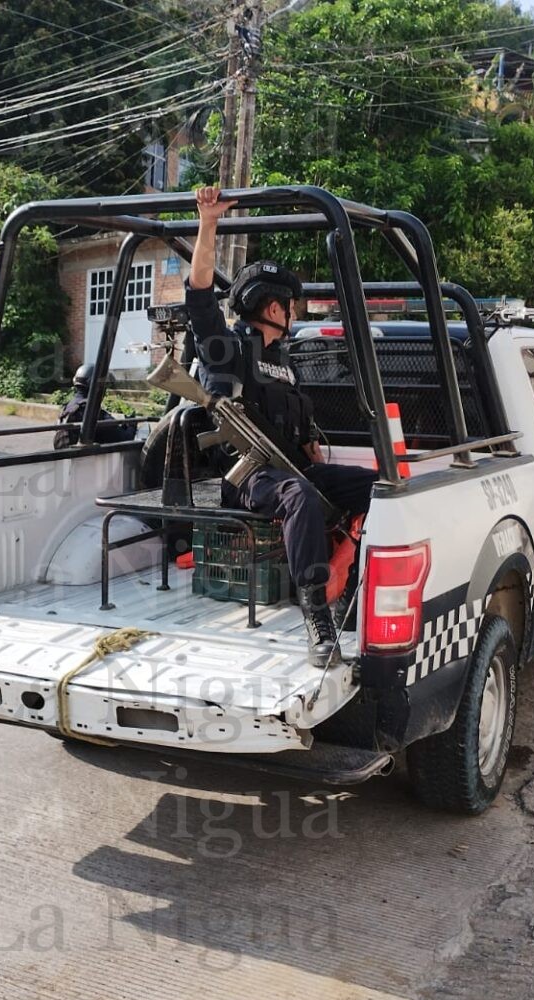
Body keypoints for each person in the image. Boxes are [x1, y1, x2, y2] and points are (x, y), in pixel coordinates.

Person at [184, 185, 376, 667]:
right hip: (248, 478)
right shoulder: (228, 350)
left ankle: (355, 586)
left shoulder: (285, 362)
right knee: (299, 496)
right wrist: (208, 223)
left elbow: (302, 428)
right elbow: (201, 298)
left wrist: (310, 442)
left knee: (379, 488)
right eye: (290, 306)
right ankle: (316, 617)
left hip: (291, 468)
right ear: (274, 308)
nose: (294, 314)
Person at [54, 364, 137, 449]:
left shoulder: (69, 407)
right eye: (103, 386)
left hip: (68, 459)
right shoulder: (93, 413)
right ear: (96, 386)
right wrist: (132, 425)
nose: (104, 391)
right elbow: (125, 438)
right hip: (86, 460)